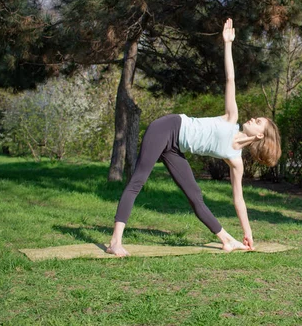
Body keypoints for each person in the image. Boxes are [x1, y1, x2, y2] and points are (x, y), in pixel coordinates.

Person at [106, 18, 282, 257]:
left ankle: (227, 240)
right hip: (167, 127)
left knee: (195, 196)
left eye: (258, 122)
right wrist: (228, 44)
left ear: (261, 135)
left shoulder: (236, 160)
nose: (253, 119)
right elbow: (230, 79)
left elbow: (238, 200)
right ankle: (115, 241)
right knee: (138, 180)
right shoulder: (232, 117)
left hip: (176, 146)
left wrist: (248, 231)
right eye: (256, 118)